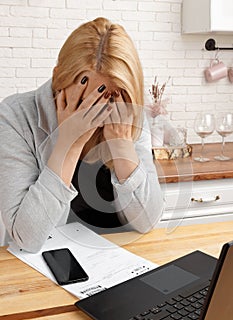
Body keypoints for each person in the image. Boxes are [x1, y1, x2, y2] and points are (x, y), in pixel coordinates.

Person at [0, 17, 164, 253]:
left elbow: (147, 222)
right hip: (47, 265)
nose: (97, 111)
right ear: (59, 79)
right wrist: (69, 143)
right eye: (86, 98)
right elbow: (28, 238)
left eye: (107, 98)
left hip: (120, 258)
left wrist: (122, 145)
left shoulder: (126, 110)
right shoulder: (15, 116)